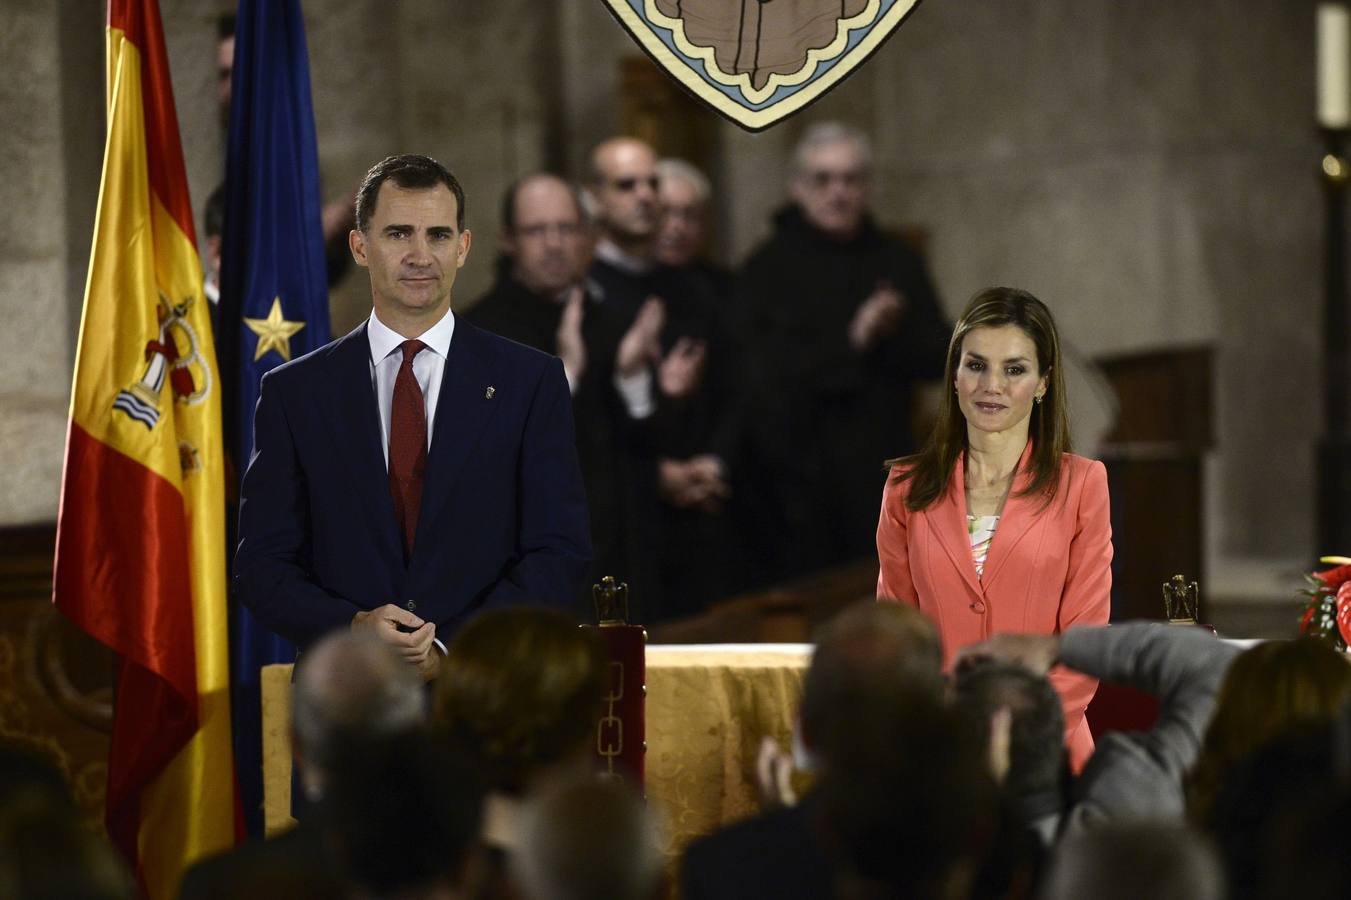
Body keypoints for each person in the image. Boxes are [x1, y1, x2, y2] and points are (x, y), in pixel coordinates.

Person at [234, 154, 591, 680]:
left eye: (439, 235)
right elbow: (261, 568)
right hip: (350, 704)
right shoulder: (295, 392)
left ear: (464, 247)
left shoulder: (530, 381)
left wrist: (450, 648)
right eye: (399, 234)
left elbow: (560, 551)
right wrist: (353, 627)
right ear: (360, 246)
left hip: (487, 704)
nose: (421, 255)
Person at [877, 286, 1112, 771]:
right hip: (936, 752)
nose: (992, 386)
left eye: (1015, 369)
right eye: (976, 364)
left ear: (1043, 383)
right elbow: (897, 641)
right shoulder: (905, 487)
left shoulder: (1084, 484)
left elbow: (1083, 646)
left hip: (1049, 751)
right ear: (955, 374)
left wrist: (1019, 740)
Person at [736, 122, 950, 583]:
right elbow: (764, 380)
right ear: (797, 187)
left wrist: (894, 331)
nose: (838, 192)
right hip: (795, 485)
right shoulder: (765, 269)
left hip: (881, 464)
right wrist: (854, 338)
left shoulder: (896, 260)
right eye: (823, 180)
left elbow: (937, 359)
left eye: (850, 180)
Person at [466, 174, 661, 613]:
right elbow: (490, 457)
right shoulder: (478, 334)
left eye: (566, 228)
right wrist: (566, 375)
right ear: (509, 241)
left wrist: (635, 382)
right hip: (532, 578)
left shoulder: (614, 319)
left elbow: (645, 455)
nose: (554, 244)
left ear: (588, 237)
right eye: (537, 231)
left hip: (627, 562)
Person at [681, 601, 945, 900]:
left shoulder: (720, 866)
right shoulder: (973, 849)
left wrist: (777, 831)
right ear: (937, 728)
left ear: (804, 731)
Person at [586, 138, 739, 618]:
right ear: (595, 198)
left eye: (652, 183)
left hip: (705, 516)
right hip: (624, 522)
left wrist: (715, 461)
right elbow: (586, 418)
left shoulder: (691, 287)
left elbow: (735, 388)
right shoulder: (583, 292)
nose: (646, 196)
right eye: (627, 185)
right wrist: (656, 474)